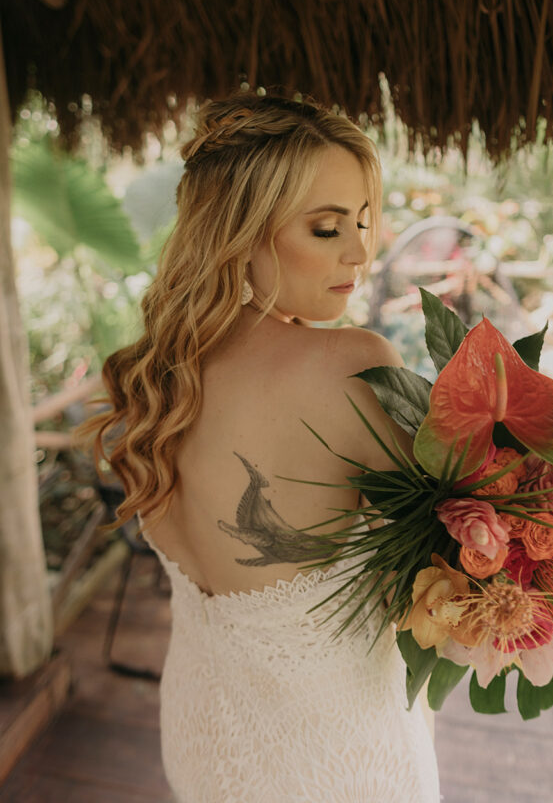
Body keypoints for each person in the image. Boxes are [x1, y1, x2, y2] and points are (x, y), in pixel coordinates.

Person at [83, 91, 441, 802]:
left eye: (363, 222)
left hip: (202, 734)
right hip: (335, 759)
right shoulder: (353, 366)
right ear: (242, 233)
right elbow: (470, 543)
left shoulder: (154, 378)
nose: (360, 250)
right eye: (325, 228)